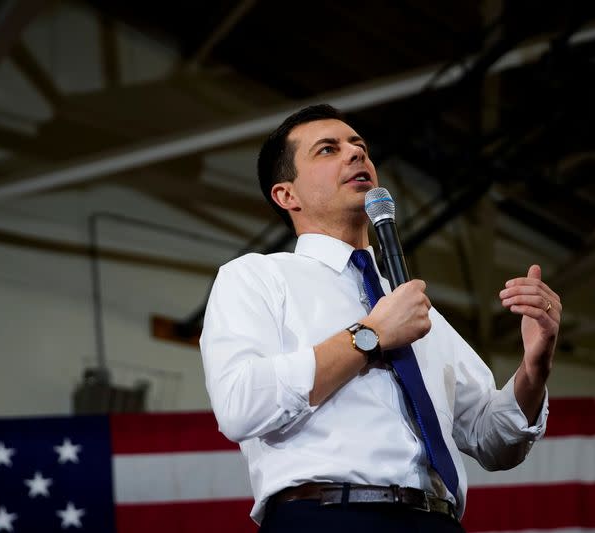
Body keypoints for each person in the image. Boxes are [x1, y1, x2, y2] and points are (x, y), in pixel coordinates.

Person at [199, 104, 561, 532]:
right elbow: (241, 405)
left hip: (438, 520)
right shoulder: (257, 277)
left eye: (360, 146)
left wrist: (534, 368)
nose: (356, 155)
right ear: (286, 195)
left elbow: (492, 441)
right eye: (327, 150)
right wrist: (369, 335)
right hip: (328, 516)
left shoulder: (409, 307)